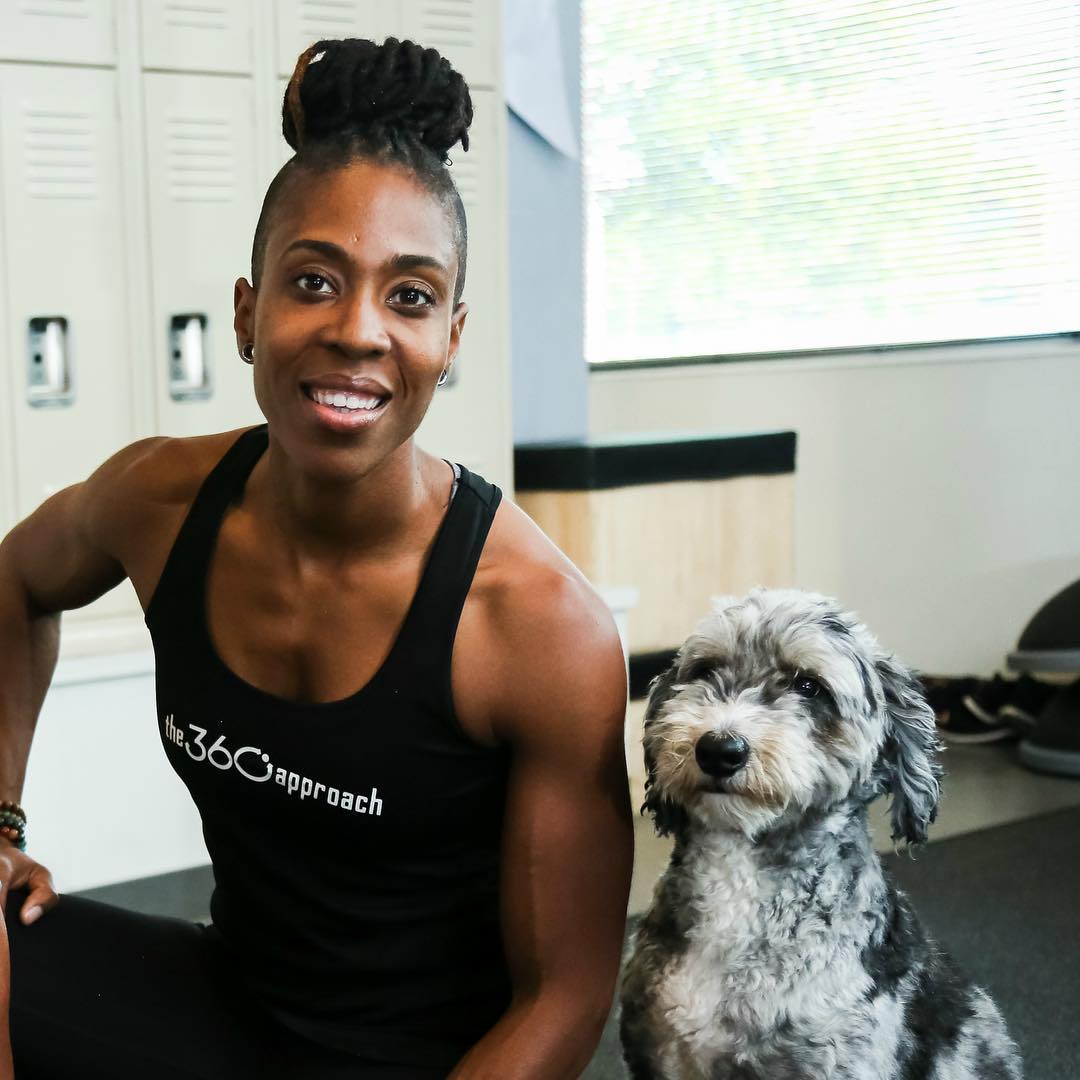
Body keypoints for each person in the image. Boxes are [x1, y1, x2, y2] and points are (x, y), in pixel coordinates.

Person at [0, 37, 633, 1079]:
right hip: (229, 1010)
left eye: (411, 297)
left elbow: (563, 999)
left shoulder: (533, 623)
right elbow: (17, 580)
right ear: (248, 313)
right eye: (313, 281)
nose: (358, 331)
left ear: (453, 338)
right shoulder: (159, 502)